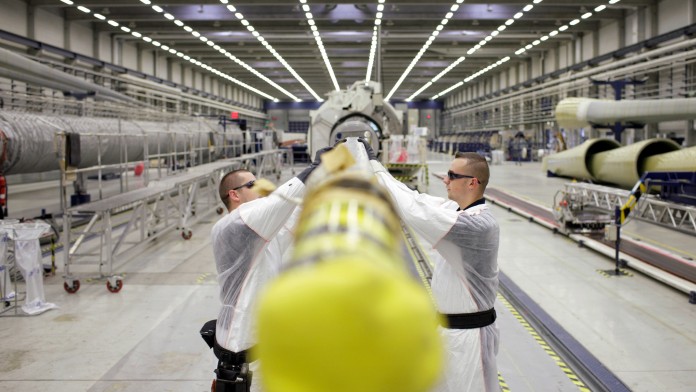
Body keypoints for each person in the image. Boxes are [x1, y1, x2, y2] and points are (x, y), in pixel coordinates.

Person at [363, 139, 500, 392]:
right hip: (449, 331)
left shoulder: (475, 226)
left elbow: (413, 210)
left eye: (451, 175)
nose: (445, 180)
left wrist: (374, 166)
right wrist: (376, 166)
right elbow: (413, 198)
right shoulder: (456, 210)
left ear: (472, 182)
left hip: (470, 339)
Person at [204, 147, 331, 392]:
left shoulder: (260, 231)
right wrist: (312, 169)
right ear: (235, 194)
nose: (261, 187)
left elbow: (294, 215)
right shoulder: (233, 225)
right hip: (241, 343)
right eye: (253, 184)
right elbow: (279, 204)